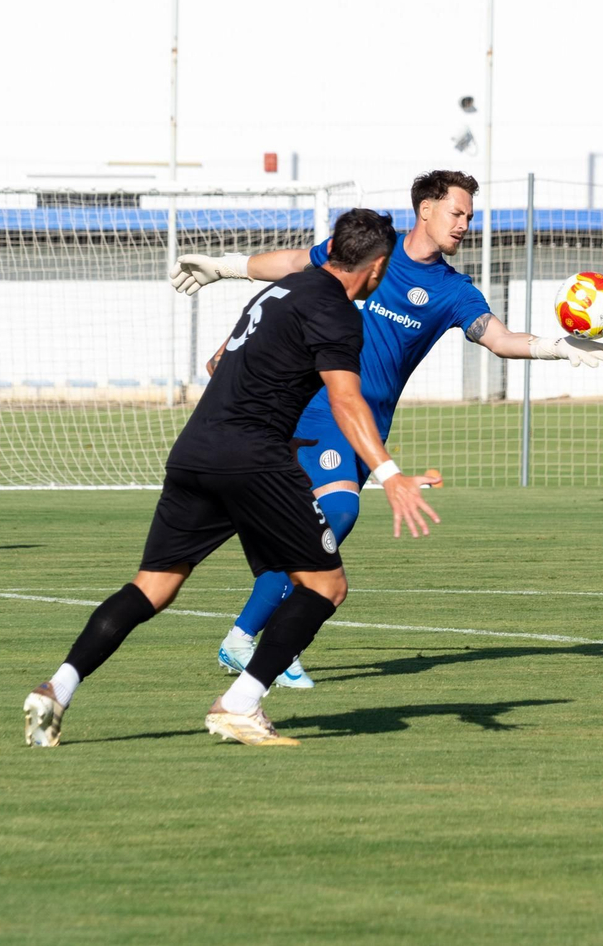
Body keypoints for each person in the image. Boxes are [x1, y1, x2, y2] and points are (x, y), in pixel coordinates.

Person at [170, 170, 603, 689]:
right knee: (336, 512)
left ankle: (244, 638)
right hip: (320, 406)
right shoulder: (373, 252)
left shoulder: (452, 290)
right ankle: (261, 643)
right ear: (425, 210)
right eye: (457, 212)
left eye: (470, 216)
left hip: (369, 427)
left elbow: (497, 338)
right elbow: (295, 263)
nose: (464, 224)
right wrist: (223, 268)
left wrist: (556, 347)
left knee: (311, 533)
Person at [22, 209, 440, 748]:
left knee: (154, 585)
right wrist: (390, 473)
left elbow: (221, 363)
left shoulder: (280, 291)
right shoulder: (339, 313)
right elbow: (345, 397)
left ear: (332, 247)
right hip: (253, 459)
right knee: (326, 585)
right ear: (378, 266)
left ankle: (57, 688)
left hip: (196, 450)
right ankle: (239, 704)